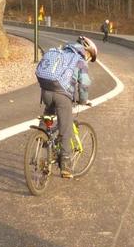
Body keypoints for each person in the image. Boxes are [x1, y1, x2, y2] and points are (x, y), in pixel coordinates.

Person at [37, 36, 96, 178]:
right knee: (66, 128)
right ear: (86, 51)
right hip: (61, 95)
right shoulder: (80, 61)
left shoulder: (60, 53)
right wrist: (83, 100)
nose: (88, 58)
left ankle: (41, 136)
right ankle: (66, 167)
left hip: (45, 90)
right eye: (90, 55)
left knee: (49, 113)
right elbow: (84, 84)